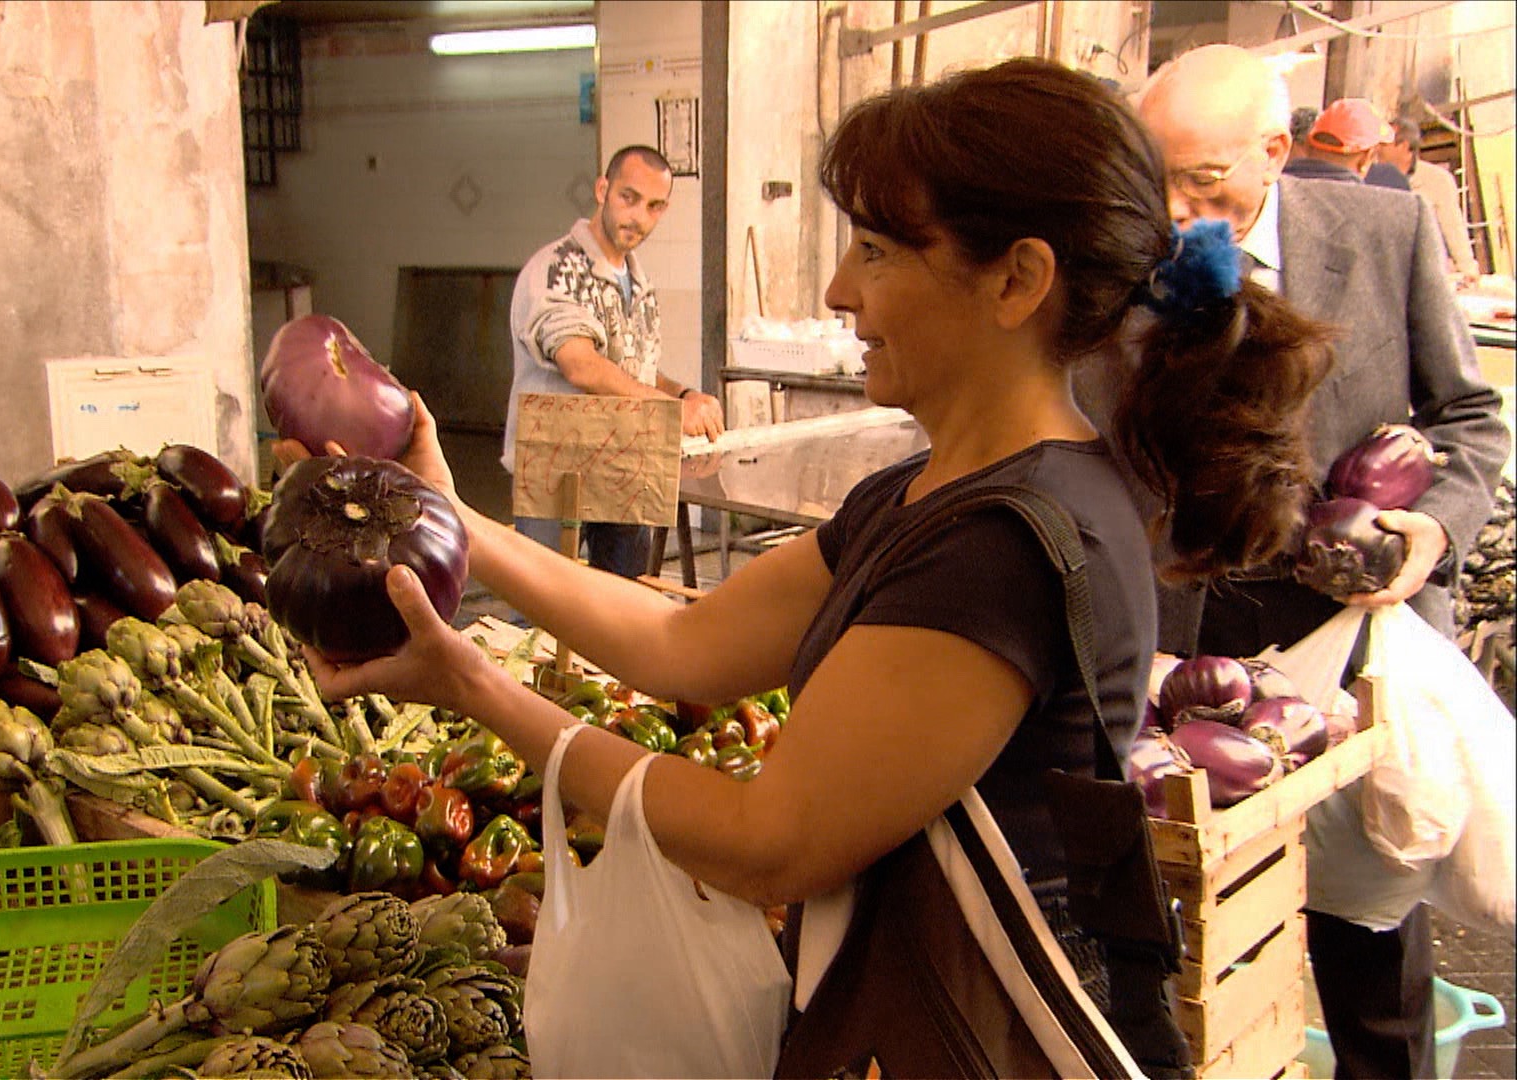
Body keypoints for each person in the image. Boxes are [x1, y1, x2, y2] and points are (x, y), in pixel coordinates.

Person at [284, 58, 1330, 1078]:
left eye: (876, 251)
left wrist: (469, 682)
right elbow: (683, 646)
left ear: (1016, 279)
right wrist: (450, 515)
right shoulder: (927, 494)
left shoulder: (1008, 545)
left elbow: (768, 840)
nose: (837, 289)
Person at [1102, 43, 1510, 1079]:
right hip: (1189, 635)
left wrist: (1432, 531)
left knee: (1368, 936)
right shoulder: (1130, 258)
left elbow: (1468, 417)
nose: (1178, 204)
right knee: (1195, 931)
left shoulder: (1386, 230)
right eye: (1159, 176)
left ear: (1275, 151)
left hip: (1346, 629)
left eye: (1204, 178)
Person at [502, 144, 725, 579]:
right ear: (603, 188)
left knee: (621, 603)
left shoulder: (638, 282)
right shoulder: (556, 268)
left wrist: (683, 392)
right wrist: (674, 411)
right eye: (629, 197)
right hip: (555, 473)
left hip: (625, 467)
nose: (639, 216)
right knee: (544, 609)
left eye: (655, 206)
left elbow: (633, 369)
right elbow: (581, 365)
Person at [1377, 117, 1482, 285]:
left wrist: (1467, 269)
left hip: (1426, 275)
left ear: (1403, 146)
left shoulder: (1437, 180)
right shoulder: (1371, 179)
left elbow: (1453, 226)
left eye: (1383, 145)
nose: (1377, 149)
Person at [1286, 97, 1411, 189]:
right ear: (1366, 159)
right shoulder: (1379, 204)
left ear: (1308, 145)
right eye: (1374, 156)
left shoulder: (1273, 187)